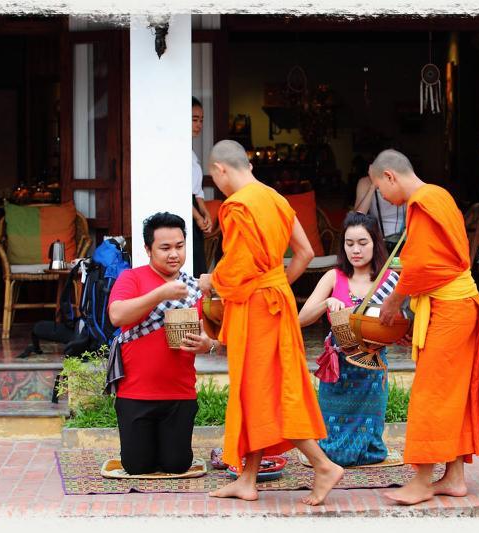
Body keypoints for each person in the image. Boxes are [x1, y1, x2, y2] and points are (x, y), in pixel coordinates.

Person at [198, 140, 343, 505]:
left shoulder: (237, 206)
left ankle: (322, 465)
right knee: (256, 391)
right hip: (275, 301)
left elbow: (239, 266)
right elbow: (307, 253)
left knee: (269, 393)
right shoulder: (278, 199)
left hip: (257, 310)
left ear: (220, 170)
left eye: (215, 178)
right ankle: (247, 479)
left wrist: (212, 281)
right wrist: (275, 283)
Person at [370, 149, 479, 505]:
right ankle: (453, 476)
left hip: (452, 309)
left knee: (432, 391)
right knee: (452, 391)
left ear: (390, 176)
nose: (384, 198)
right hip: (455, 304)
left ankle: (423, 479)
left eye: (380, 189)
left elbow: (421, 265)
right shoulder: (439, 196)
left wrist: (393, 303)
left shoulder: (421, 202)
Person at [106, 212, 220, 475]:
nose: (174, 254)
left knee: (177, 465)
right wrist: (160, 294)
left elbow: (223, 337)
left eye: (179, 247)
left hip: (179, 394)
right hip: (135, 393)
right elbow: (117, 315)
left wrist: (209, 345)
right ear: (148, 249)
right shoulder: (132, 279)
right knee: (137, 466)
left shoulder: (195, 287)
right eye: (165, 248)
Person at [297, 211, 400, 467]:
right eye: (349, 243)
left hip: (371, 364)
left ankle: (365, 452)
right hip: (338, 365)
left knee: (370, 446)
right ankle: (332, 458)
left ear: (375, 243)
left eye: (363, 243)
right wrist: (326, 303)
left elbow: (401, 322)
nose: (356, 250)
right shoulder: (334, 277)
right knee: (332, 436)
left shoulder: (389, 281)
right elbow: (301, 318)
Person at [191, 97, 213, 277]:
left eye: (201, 120)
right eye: (194, 119)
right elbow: (180, 190)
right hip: (185, 211)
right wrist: (198, 217)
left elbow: (197, 189)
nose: (199, 125)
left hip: (194, 207)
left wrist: (205, 213)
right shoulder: (175, 149)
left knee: (198, 262)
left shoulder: (190, 152)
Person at [354, 175, 406, 245]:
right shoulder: (366, 182)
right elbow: (357, 219)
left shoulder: (405, 179)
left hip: (405, 240)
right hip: (380, 241)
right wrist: (372, 188)